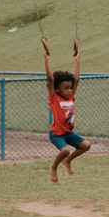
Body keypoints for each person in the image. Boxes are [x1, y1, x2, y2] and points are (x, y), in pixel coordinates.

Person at [44, 41, 91, 183]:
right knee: (64, 150)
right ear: (58, 89)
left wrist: (77, 60)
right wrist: (46, 59)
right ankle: (53, 167)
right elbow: (51, 79)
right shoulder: (54, 98)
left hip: (68, 133)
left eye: (70, 88)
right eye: (66, 88)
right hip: (56, 133)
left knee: (86, 146)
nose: (70, 90)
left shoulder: (70, 97)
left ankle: (67, 161)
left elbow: (76, 79)